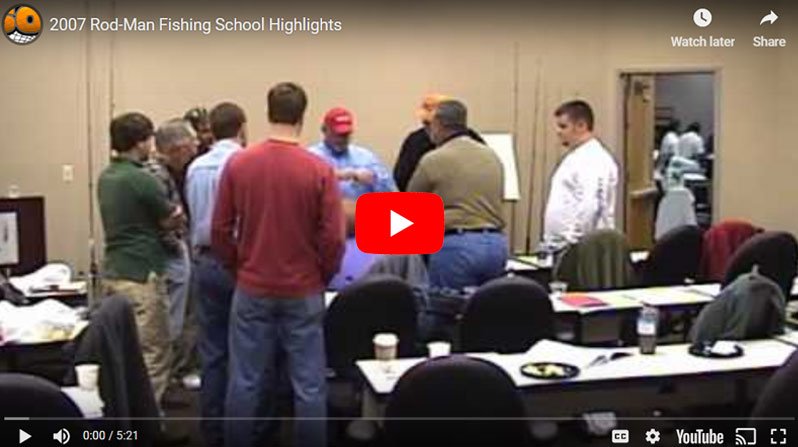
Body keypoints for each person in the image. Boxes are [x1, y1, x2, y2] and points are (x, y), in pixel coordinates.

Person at [212, 82, 345, 447]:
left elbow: (219, 230)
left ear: (268, 112)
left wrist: (238, 268)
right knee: (309, 385)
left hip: (252, 286)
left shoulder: (239, 164)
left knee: (244, 381)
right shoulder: (319, 170)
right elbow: (333, 238)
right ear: (303, 116)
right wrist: (322, 275)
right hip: (303, 288)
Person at [97, 112, 183, 407]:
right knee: (154, 351)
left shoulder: (106, 177)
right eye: (149, 139)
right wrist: (177, 216)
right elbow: (169, 219)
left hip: (114, 271)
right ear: (140, 142)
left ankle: (124, 414)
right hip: (142, 272)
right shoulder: (141, 179)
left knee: (124, 351)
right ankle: (148, 420)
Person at [185, 102, 247, 447]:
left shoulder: (195, 168)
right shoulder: (245, 163)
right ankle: (242, 429)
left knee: (212, 351)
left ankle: (212, 429)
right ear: (242, 128)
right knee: (246, 351)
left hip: (205, 263)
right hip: (238, 262)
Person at [407, 99, 507, 290]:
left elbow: (409, 208)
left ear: (438, 124)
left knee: (448, 306)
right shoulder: (491, 156)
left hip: (456, 245)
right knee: (490, 305)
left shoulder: (434, 159)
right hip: (496, 245)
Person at [308, 107, 396, 289]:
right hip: (324, 239)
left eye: (346, 135)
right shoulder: (311, 159)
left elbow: (392, 197)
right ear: (324, 130)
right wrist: (343, 175)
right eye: (338, 134)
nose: (342, 139)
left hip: (364, 238)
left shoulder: (366, 158)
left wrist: (375, 180)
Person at [144, 119, 196, 378]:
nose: (195, 149)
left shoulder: (159, 172)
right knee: (169, 324)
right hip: (168, 255)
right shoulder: (157, 175)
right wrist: (178, 240)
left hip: (166, 254)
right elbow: (164, 220)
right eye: (191, 144)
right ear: (177, 148)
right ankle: (165, 380)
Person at [542, 100, 619, 251]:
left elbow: (590, 205)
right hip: (564, 246)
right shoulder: (577, 157)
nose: (558, 131)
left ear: (581, 126)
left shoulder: (593, 159)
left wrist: (574, 242)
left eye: (563, 126)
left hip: (580, 249)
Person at [393, 93, 485, 191]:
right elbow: (401, 182)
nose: (429, 129)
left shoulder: (428, 156)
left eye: (430, 123)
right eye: (425, 123)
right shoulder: (415, 141)